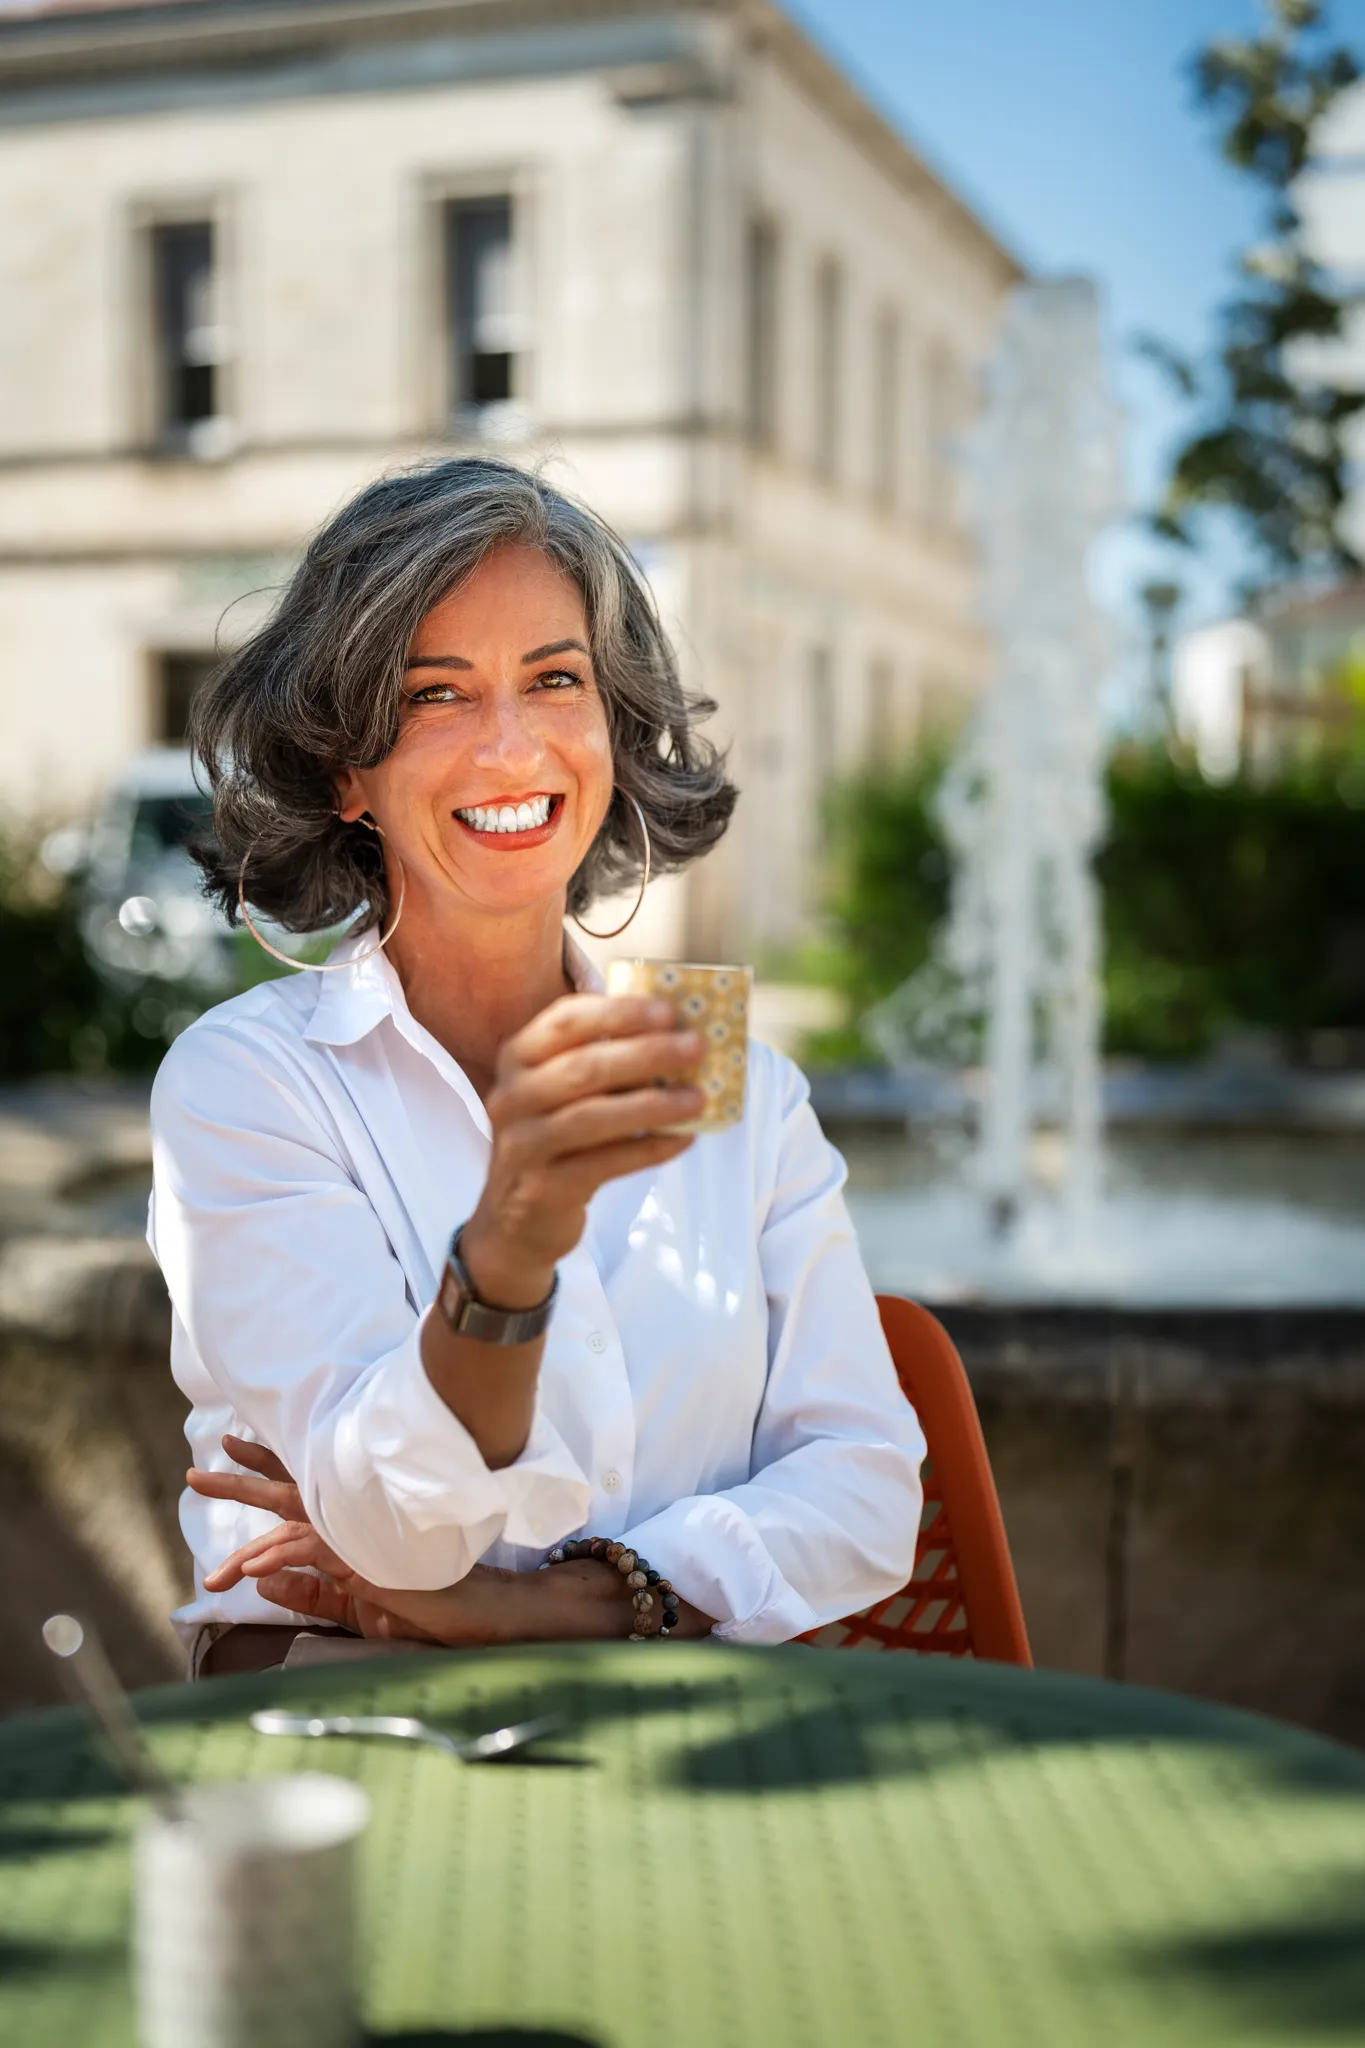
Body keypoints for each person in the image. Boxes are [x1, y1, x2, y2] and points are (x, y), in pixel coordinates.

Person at [149, 457, 925, 1678]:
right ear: (345, 769)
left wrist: (547, 1604)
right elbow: (400, 1532)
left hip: (673, 1703)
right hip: (345, 1697)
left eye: (556, 679)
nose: (513, 748)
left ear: (612, 725)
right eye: (437, 695)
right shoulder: (252, 1083)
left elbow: (869, 1485)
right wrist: (510, 1246)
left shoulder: (729, 1076)